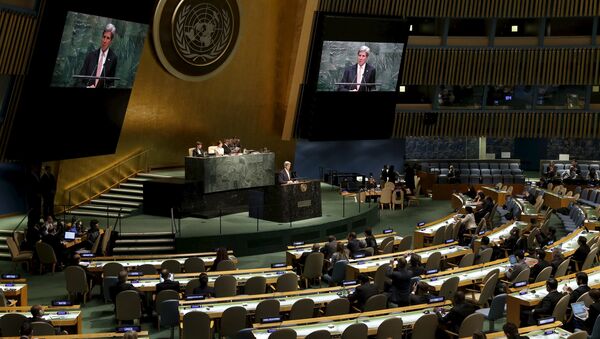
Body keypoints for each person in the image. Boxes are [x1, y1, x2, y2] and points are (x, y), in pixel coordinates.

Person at [79, 23, 118, 88]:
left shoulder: (113, 58)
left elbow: (111, 82)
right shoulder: (90, 56)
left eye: (108, 38)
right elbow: (79, 80)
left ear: (111, 41)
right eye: (104, 37)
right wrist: (87, 87)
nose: (104, 41)